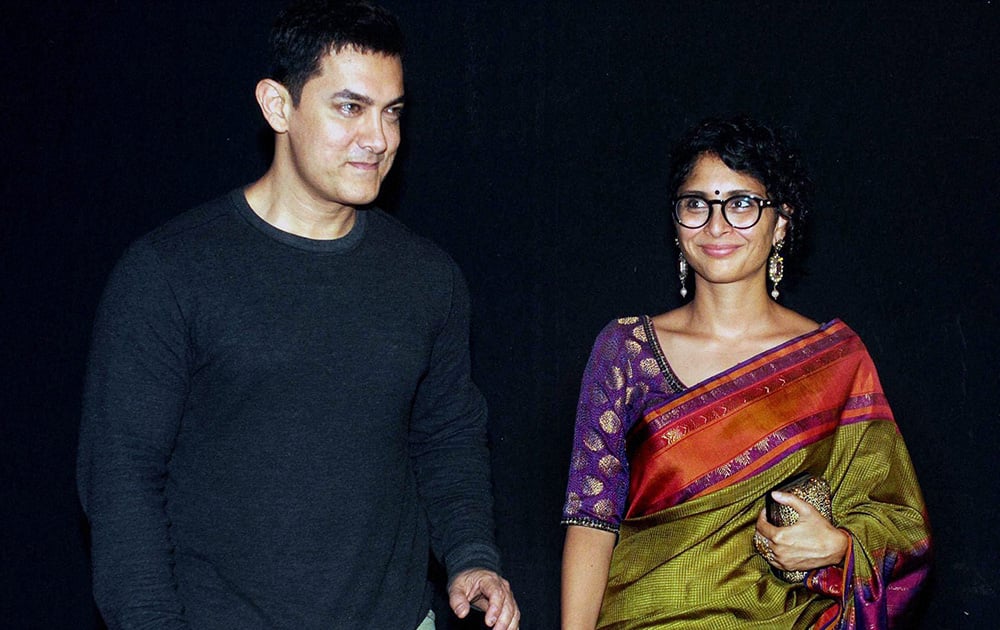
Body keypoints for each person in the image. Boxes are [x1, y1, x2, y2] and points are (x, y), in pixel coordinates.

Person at [77, 1, 519, 628]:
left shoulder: (427, 278)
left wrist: (471, 554)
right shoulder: (169, 272)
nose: (379, 137)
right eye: (350, 107)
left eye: (392, 112)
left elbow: (446, 435)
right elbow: (121, 480)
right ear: (277, 105)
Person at [560, 116, 931, 629]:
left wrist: (840, 546)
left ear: (781, 222)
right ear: (676, 221)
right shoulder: (624, 351)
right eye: (697, 204)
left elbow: (903, 526)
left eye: (741, 204)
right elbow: (590, 523)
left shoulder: (836, 361)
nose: (716, 226)